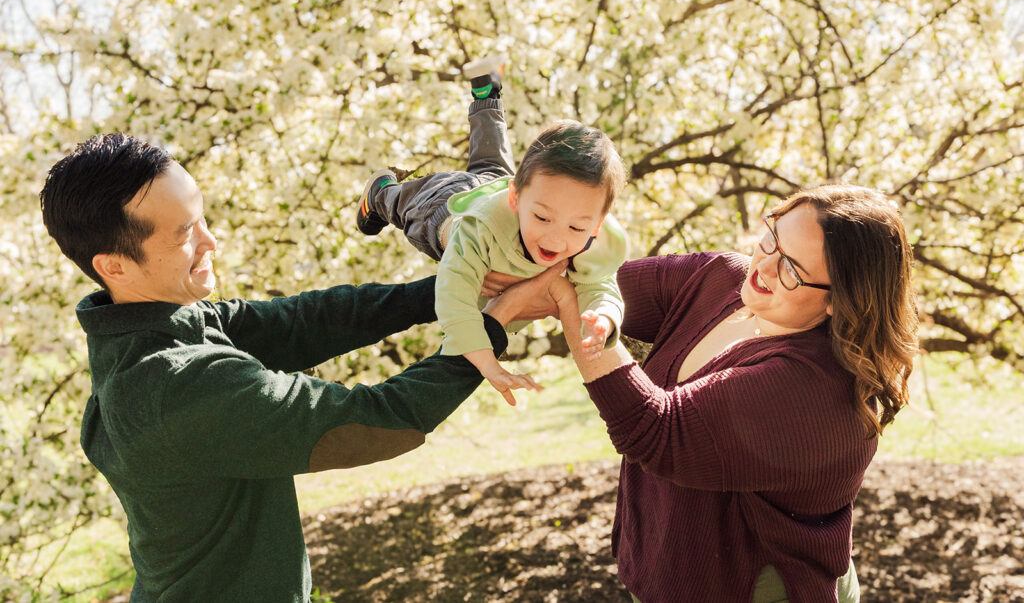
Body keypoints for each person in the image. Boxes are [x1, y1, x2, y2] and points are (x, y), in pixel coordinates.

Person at [38, 133, 563, 602]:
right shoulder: (176, 384)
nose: (210, 242)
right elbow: (375, 421)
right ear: (114, 266)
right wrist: (493, 323)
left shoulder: (153, 326)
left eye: (201, 219)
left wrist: (458, 288)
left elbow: (307, 321)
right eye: (184, 235)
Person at [537, 184, 918, 602]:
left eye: (792, 268)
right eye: (772, 238)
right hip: (672, 572)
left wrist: (572, 310)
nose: (765, 266)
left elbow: (655, 430)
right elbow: (597, 278)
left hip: (750, 587)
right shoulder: (719, 278)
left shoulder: (810, 387)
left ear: (840, 300)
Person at [356, 59, 629, 406]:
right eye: (543, 219)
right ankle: (379, 191)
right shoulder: (479, 232)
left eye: (576, 227)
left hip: (497, 187)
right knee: (402, 207)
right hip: (443, 208)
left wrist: (604, 319)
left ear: (597, 225)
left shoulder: (584, 235)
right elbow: (454, 298)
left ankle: (486, 93)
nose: (556, 240)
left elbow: (601, 286)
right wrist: (488, 362)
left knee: (491, 164)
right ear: (516, 199)